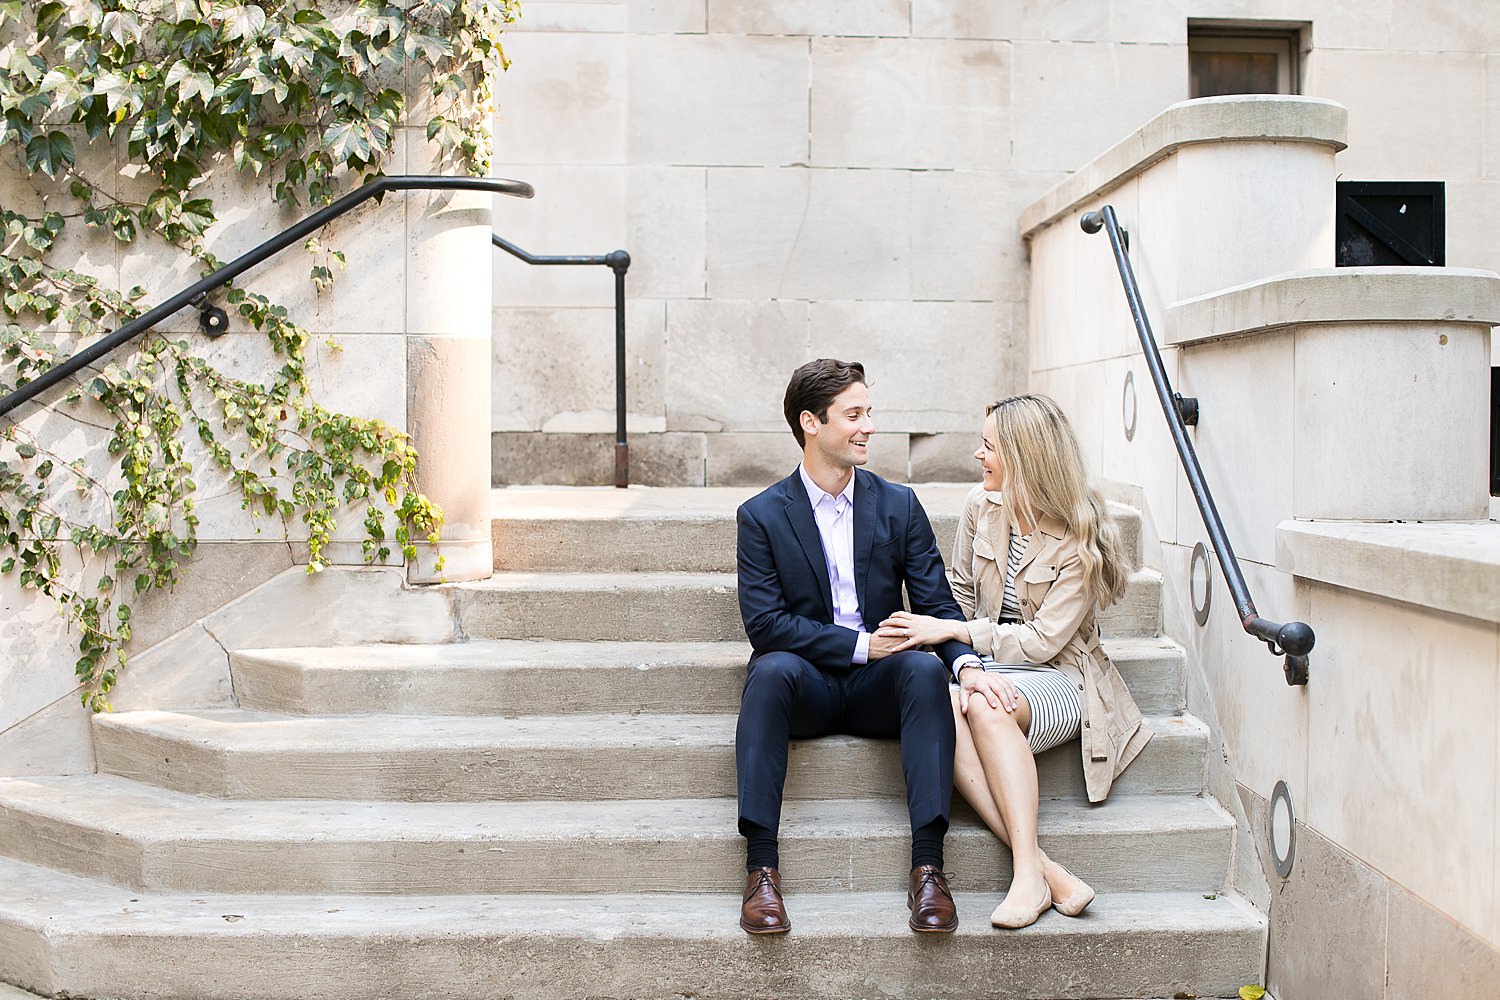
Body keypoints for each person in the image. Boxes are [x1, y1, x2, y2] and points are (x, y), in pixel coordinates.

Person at [877, 394, 1152, 930]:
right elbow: (954, 592)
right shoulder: (983, 507)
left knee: (980, 707)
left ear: (1024, 457)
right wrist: (963, 652)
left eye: (989, 446)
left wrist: (958, 633)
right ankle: (1041, 869)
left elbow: (1043, 642)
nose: (979, 456)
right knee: (948, 701)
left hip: (1062, 677)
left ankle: (1028, 874)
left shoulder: (1082, 533)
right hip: (988, 668)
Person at [734, 359, 983, 936]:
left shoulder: (898, 506)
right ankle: (761, 872)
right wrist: (860, 645)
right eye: (854, 414)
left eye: (869, 412)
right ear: (810, 422)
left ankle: (929, 869)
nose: (868, 426)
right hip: (808, 683)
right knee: (768, 672)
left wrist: (966, 665)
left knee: (923, 671)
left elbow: (936, 606)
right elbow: (767, 624)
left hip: (882, 686)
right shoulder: (762, 516)